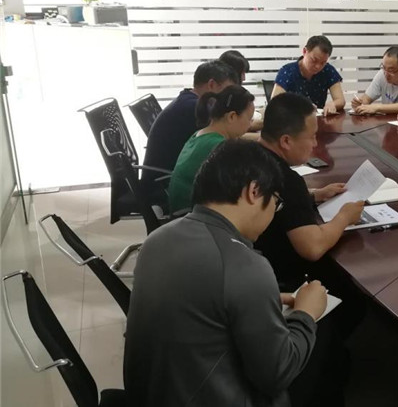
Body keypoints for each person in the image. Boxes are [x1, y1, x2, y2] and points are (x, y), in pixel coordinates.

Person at [124, 140, 328, 407]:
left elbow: (199, 301)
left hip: (157, 394)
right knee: (325, 343)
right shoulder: (245, 265)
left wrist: (264, 299)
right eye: (276, 203)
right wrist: (306, 314)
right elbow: (277, 374)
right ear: (254, 191)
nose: (273, 215)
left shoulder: (158, 239)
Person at [255, 92, 364, 290]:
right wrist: (345, 217)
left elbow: (282, 205)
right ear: (286, 141)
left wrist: (313, 195)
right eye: (312, 136)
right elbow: (313, 247)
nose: (315, 143)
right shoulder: (286, 179)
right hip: (279, 282)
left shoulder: (248, 156)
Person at [141, 60, 239, 199]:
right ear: (211, 84)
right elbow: (226, 134)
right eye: (227, 90)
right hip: (164, 185)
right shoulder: (193, 109)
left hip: (169, 177)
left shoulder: (188, 100)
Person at [168, 85, 255, 212]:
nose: (250, 124)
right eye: (250, 119)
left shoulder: (201, 134)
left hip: (181, 210)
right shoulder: (219, 147)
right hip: (192, 214)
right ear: (232, 117)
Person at [273, 36, 345, 116]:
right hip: (293, 119)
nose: (318, 66)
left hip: (318, 119)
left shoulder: (328, 70)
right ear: (304, 51)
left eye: (323, 63)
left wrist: (333, 104)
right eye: (314, 60)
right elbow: (274, 103)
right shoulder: (287, 71)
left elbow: (340, 100)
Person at [350, 46, 398, 115]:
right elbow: (367, 97)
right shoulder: (382, 74)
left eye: (391, 70)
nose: (386, 74)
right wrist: (361, 103)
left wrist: (376, 107)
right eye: (383, 68)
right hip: (388, 121)